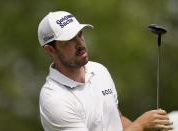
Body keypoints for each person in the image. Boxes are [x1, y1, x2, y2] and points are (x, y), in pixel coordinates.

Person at [37, 11, 173, 131]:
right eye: (69, 40)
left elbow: (117, 118)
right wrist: (140, 126)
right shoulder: (54, 99)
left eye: (80, 35)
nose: (80, 44)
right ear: (50, 50)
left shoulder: (99, 70)